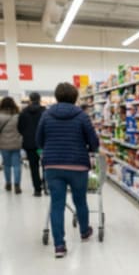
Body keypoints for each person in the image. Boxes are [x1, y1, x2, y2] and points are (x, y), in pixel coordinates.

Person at [36, 83, 99, 258]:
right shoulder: (82, 116)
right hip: (77, 165)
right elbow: (93, 142)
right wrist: (90, 147)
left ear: (56, 96)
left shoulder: (46, 115)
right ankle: (85, 231)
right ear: (75, 97)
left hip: (53, 166)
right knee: (80, 201)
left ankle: (59, 246)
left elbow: (38, 140)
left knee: (57, 204)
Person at [18, 92, 45, 196]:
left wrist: (26, 135)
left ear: (30, 99)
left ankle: (37, 190)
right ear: (39, 99)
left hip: (29, 144)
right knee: (46, 165)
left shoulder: (24, 112)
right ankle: (46, 186)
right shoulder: (44, 111)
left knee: (33, 167)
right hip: (43, 144)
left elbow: (20, 128)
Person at [0, 97, 23, 194]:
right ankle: (17, 185)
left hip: (3, 144)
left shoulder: (0, 116)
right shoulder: (18, 116)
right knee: (17, 165)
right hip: (16, 143)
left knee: (7, 165)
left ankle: (8, 183)